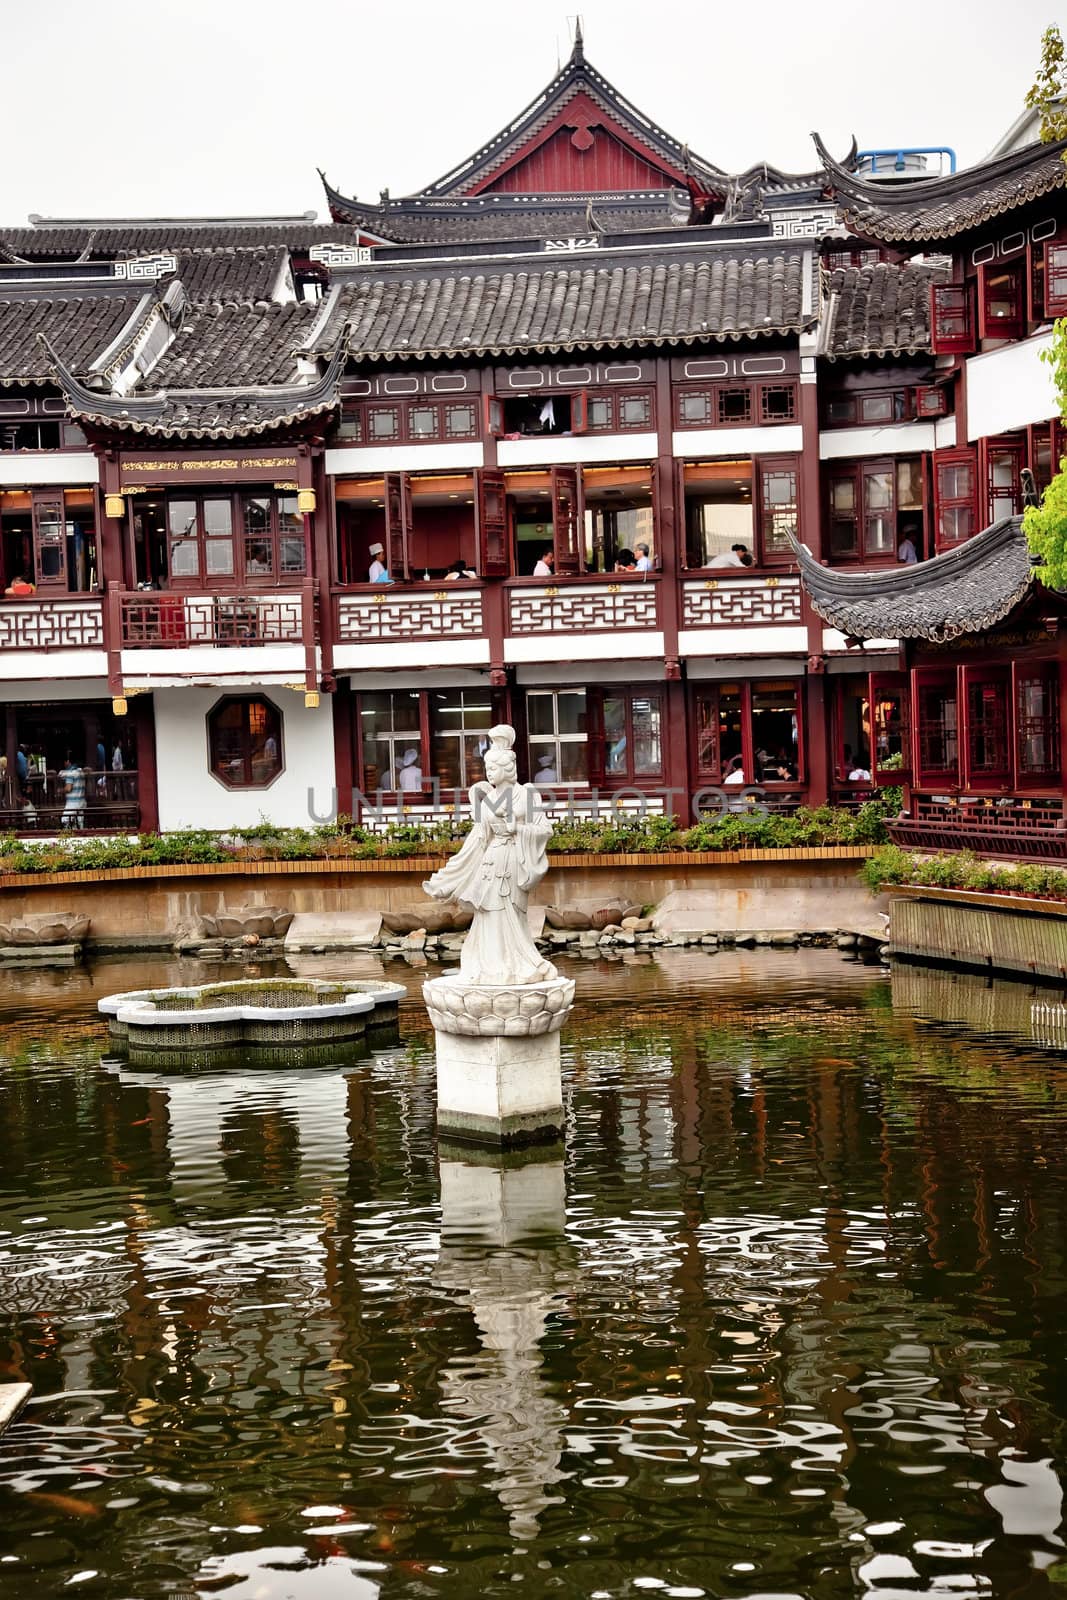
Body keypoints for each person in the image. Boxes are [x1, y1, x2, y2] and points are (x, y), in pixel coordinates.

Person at [423, 724, 556, 986]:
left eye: (492, 769)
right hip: (490, 862)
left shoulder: (525, 794)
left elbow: (544, 829)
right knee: (487, 913)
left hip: (513, 860)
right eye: (487, 769)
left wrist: (516, 827)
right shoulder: (487, 800)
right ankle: (489, 966)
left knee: (510, 913)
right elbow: (478, 839)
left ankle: (516, 965)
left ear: (507, 769)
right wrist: (450, 874)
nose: (488, 773)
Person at [58, 754, 86, 829]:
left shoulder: (70, 773)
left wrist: (60, 790)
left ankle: (67, 838)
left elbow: (68, 788)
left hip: (72, 803)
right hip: (81, 802)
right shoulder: (80, 771)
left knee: (65, 820)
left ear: (68, 761)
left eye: (64, 762)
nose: (64, 764)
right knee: (79, 823)